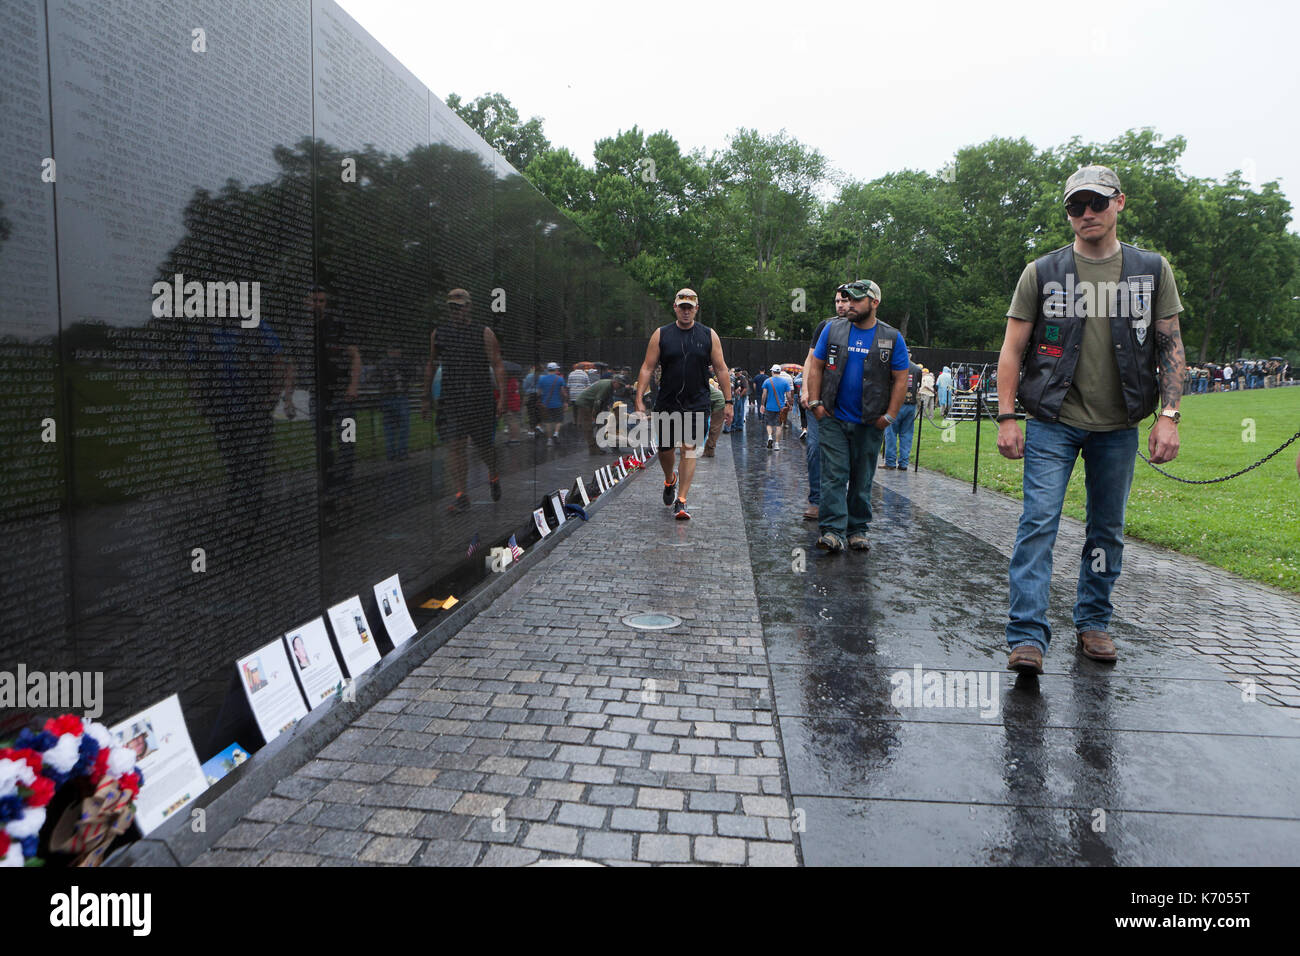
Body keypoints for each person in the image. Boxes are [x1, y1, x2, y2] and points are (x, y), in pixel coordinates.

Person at [996, 165, 1185, 676]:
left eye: (1096, 203)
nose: (1086, 214)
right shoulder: (1042, 272)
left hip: (1119, 425)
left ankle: (1094, 621)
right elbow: (1013, 350)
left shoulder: (1151, 269)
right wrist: (1006, 416)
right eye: (1075, 206)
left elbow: (1170, 343)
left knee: (1107, 530)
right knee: (1037, 524)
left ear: (1119, 203)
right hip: (1051, 421)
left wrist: (1169, 415)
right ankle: (1028, 635)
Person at [804, 279, 909, 552]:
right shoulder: (833, 329)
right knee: (834, 475)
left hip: (870, 421)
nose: (849, 304)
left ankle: (857, 529)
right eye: (847, 299)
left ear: (874, 302)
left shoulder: (892, 337)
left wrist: (889, 416)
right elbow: (815, 364)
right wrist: (815, 403)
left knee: (862, 477)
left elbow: (900, 379)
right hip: (833, 417)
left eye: (857, 300)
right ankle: (832, 530)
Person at [635, 288, 732, 520]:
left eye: (690, 307)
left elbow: (721, 368)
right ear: (675, 307)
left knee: (689, 450)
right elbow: (647, 367)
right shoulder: (661, 334)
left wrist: (728, 401)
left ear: (697, 309)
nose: (686, 311)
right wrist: (639, 398)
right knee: (665, 449)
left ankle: (682, 500)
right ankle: (670, 479)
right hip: (667, 400)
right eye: (682, 306)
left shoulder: (709, 335)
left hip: (697, 400)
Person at [423, 288, 506, 511]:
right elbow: (431, 364)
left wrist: (502, 397)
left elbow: (497, 364)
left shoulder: (484, 332)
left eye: (460, 307)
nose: (456, 311)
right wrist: (426, 397)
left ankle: (493, 473)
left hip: (479, 396)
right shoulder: (439, 333)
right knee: (455, 445)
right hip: (452, 397)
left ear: (469, 307)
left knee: (483, 446)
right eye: (452, 307)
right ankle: (461, 495)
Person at [798, 285, 852, 519]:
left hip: (848, 402)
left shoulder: (862, 328)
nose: (840, 305)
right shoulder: (825, 326)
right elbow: (811, 359)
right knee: (815, 450)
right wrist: (806, 389)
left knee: (848, 453)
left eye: (845, 301)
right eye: (837, 301)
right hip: (820, 398)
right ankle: (817, 500)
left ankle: (841, 501)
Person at [573, 373, 631, 454]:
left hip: (590, 403)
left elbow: (606, 400)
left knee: (601, 424)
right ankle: (593, 449)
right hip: (585, 403)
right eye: (620, 385)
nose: (620, 387)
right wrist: (595, 415)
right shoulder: (607, 386)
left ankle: (600, 445)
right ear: (615, 382)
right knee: (588, 427)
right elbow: (598, 400)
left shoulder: (610, 386)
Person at [883, 362, 922, 469]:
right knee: (907, 434)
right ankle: (904, 463)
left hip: (896, 403)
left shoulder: (894, 366)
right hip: (911, 404)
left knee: (891, 433)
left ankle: (890, 461)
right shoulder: (917, 369)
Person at [761, 363, 792, 450]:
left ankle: (770, 436)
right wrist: (790, 404)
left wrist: (762, 404)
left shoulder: (767, 381)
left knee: (769, 424)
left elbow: (764, 394)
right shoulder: (785, 382)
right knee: (779, 425)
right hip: (780, 407)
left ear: (772, 371)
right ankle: (777, 444)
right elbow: (789, 396)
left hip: (769, 407)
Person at [536, 362, 568, 445]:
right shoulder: (560, 379)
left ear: (547, 369)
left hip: (546, 405)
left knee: (548, 422)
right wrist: (565, 402)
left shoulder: (542, 379)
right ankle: (556, 433)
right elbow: (563, 393)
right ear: (556, 369)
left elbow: (539, 392)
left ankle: (549, 440)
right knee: (559, 420)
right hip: (558, 404)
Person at [703, 378, 726, 457]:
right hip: (716, 402)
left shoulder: (699, 384)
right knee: (712, 428)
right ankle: (708, 449)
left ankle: (709, 450)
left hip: (720, 404)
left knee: (714, 428)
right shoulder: (700, 382)